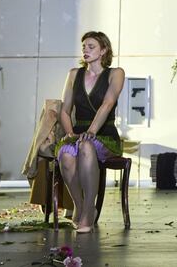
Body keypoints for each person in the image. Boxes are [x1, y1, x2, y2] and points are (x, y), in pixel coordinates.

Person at [55, 31, 125, 233]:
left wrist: (92, 131)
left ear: (103, 50)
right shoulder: (73, 74)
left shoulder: (115, 73)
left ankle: (87, 212)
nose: (85, 49)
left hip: (104, 134)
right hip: (77, 134)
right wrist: (70, 133)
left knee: (86, 145)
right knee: (66, 153)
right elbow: (65, 110)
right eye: (84, 46)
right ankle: (81, 205)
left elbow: (108, 103)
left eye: (91, 46)